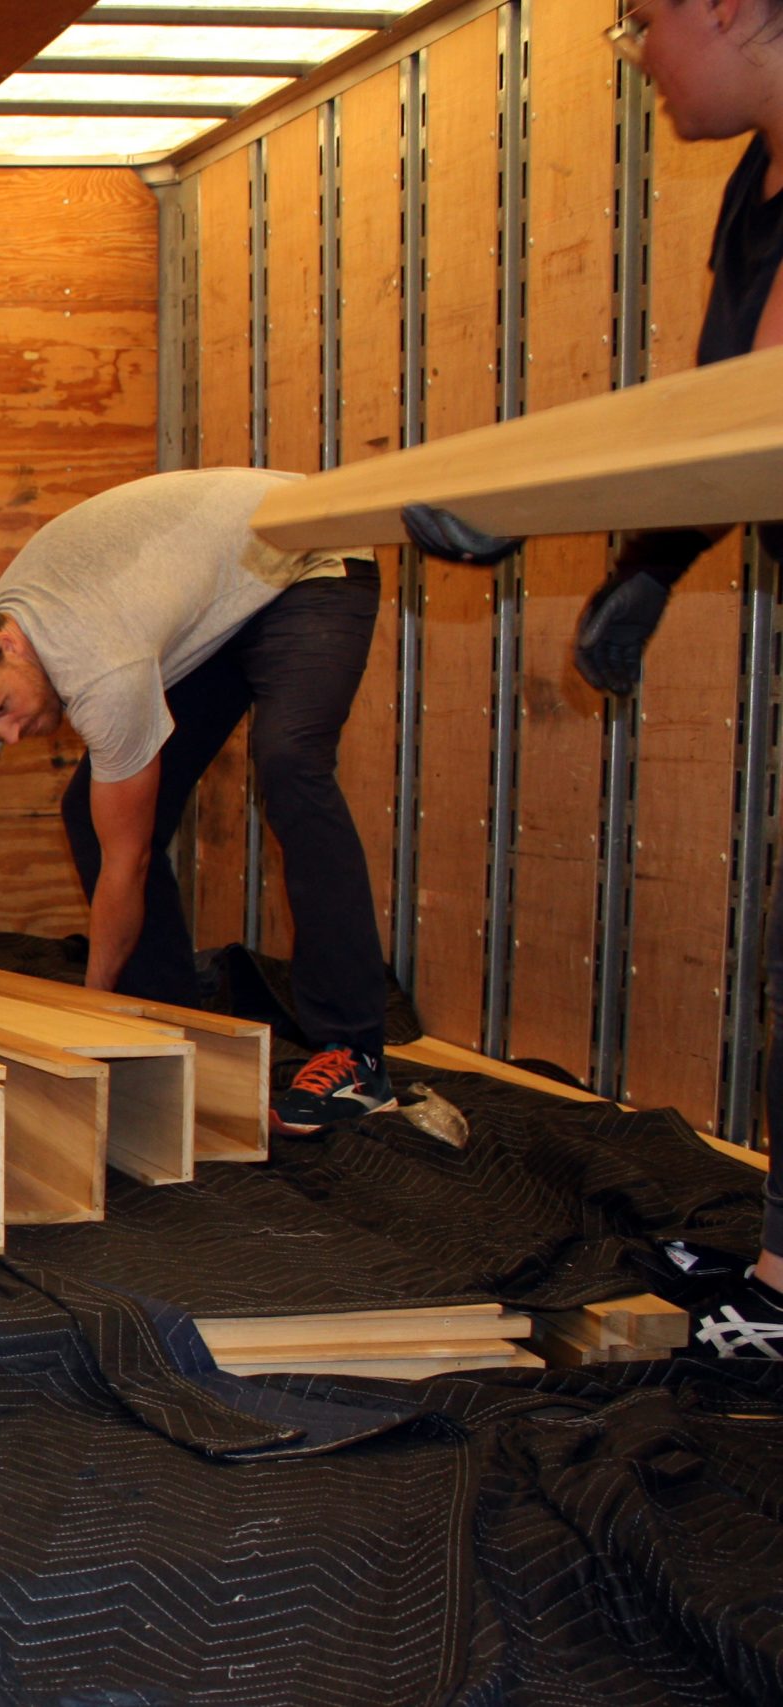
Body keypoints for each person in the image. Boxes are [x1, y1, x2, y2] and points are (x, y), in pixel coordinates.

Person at [405, 0, 783, 1355]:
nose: (637, 56)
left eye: (640, 22)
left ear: (726, 6)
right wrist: (651, 558)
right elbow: (734, 403)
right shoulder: (757, 178)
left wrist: (541, 495)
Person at [0, 467, 392, 1137]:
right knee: (86, 813)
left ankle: (354, 1054)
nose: (8, 736)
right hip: (219, 596)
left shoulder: (101, 669)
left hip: (309, 554)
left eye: (5, 711)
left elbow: (128, 859)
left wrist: (87, 1017)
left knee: (290, 763)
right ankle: (168, 1029)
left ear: (8, 642)